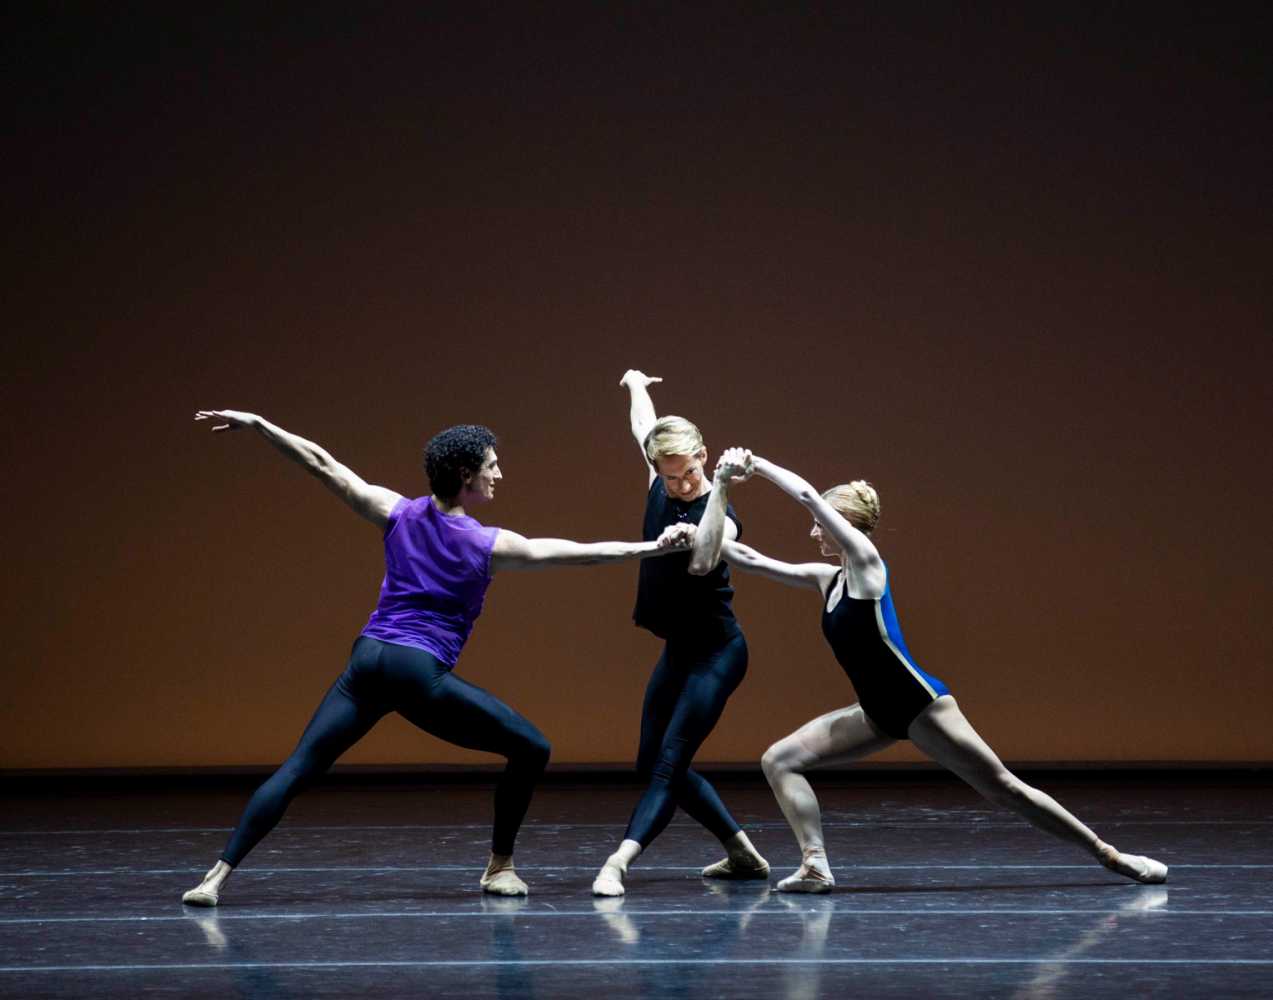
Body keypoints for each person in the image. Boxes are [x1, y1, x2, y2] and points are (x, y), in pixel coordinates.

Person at [182, 410, 691, 906]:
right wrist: (657, 547)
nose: (499, 473)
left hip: (368, 660)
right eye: (491, 464)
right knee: (532, 749)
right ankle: (500, 867)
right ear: (467, 475)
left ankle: (214, 878)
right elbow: (584, 552)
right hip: (414, 669)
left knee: (298, 768)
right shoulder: (488, 543)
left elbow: (321, 463)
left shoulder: (394, 510)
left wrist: (260, 426)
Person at [691, 446, 1168, 893]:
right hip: (878, 712)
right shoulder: (826, 578)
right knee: (779, 760)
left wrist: (758, 464)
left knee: (1005, 790)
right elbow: (745, 557)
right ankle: (815, 865)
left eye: (822, 527)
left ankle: (1110, 855)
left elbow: (809, 498)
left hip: (921, 705)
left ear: (844, 525)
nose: (813, 533)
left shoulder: (866, 563)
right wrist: (705, 511)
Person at [590, 373, 769, 897]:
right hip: (679, 650)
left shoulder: (722, 509)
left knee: (669, 762)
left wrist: (717, 494)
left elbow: (707, 557)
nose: (682, 485)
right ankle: (741, 853)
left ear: (705, 458)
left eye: (690, 473)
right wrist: (633, 385)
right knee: (649, 760)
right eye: (670, 478)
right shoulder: (658, 479)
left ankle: (618, 863)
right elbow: (642, 425)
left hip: (719, 654)